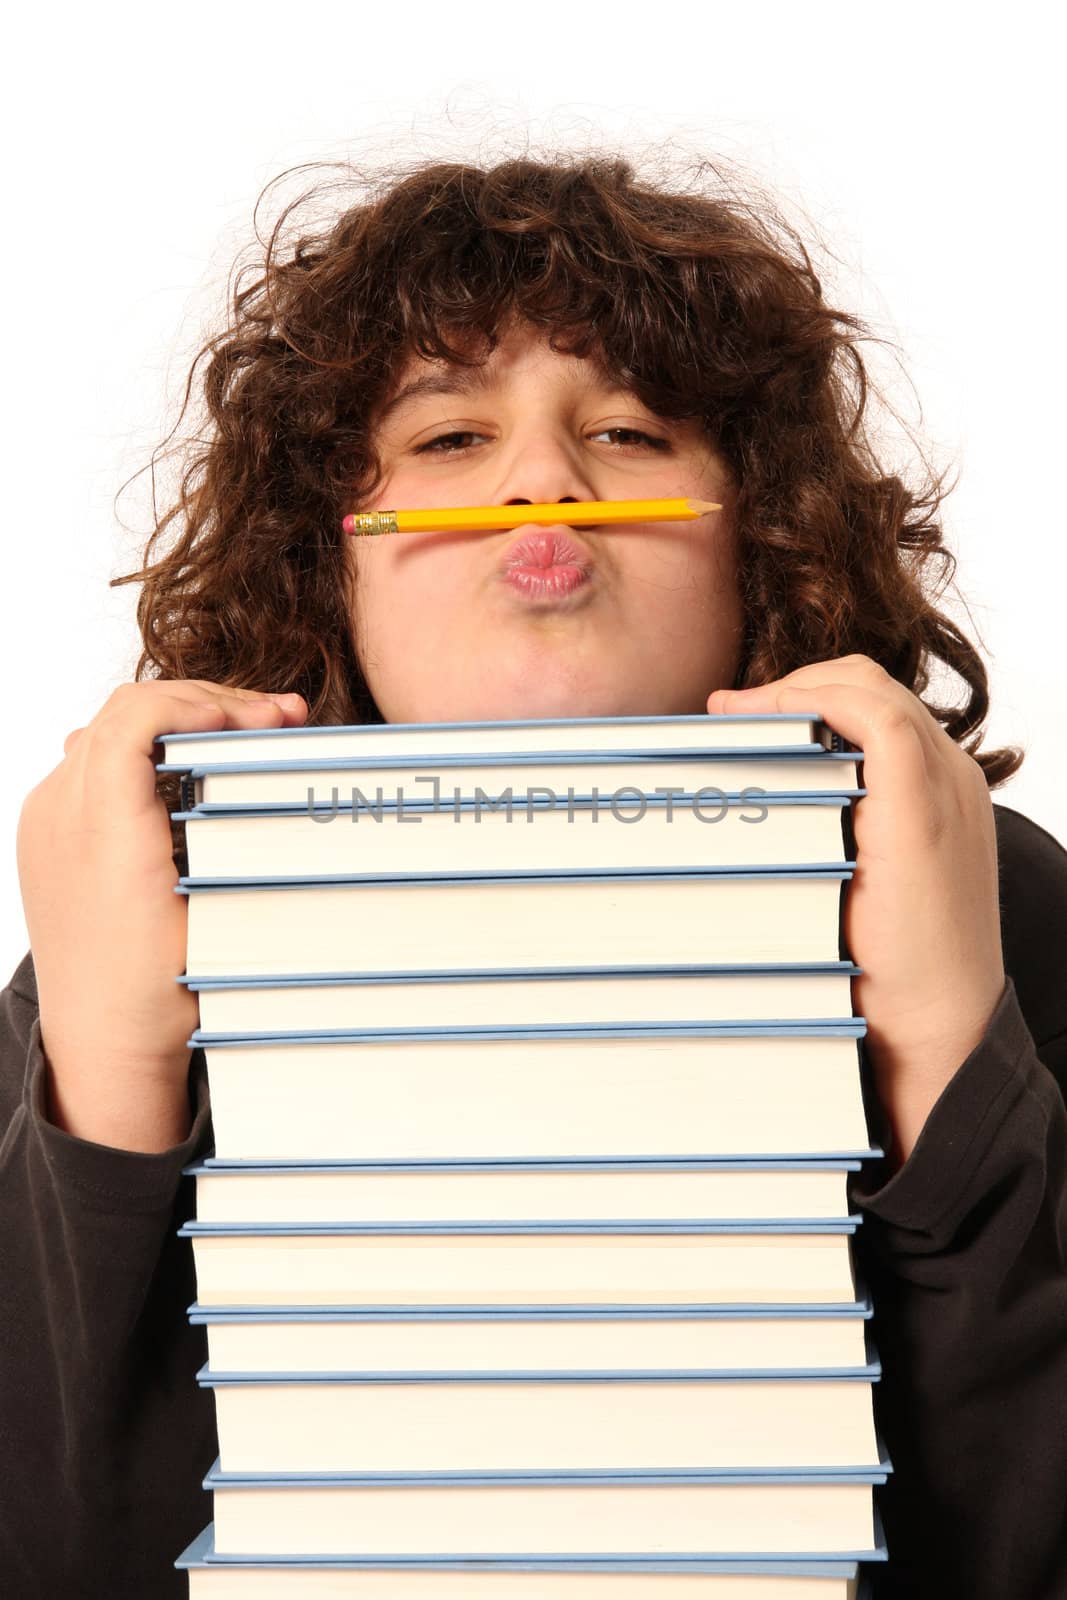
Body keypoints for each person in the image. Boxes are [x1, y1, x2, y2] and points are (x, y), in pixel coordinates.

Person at [2, 151, 1065, 1600]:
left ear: (758, 539)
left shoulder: (987, 897)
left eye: (631, 433)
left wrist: (952, 1066)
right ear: (333, 563)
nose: (542, 483)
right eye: (448, 441)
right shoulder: (132, 916)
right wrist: (111, 1083)